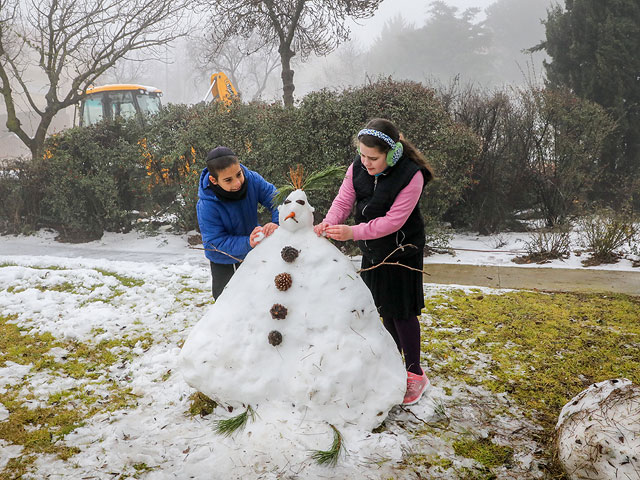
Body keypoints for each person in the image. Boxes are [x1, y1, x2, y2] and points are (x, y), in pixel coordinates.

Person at [314, 118, 434, 406]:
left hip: (401, 250)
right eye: (362, 155)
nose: (366, 162)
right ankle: (392, 363)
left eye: (373, 158)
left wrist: (352, 232)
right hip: (372, 251)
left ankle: (415, 373)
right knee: (381, 308)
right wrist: (329, 224)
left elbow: (394, 221)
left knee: (401, 311)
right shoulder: (358, 166)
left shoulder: (411, 175)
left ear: (391, 154)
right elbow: (344, 202)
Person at [197, 146, 279, 299]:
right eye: (228, 180)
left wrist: (277, 223)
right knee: (226, 301)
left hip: (252, 253)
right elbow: (214, 243)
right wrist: (247, 241)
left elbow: (278, 200)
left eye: (238, 174)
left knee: (258, 296)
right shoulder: (206, 205)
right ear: (213, 180)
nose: (237, 183)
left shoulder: (253, 179)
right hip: (223, 261)